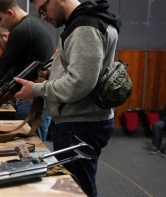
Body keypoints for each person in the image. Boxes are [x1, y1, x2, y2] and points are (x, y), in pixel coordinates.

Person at [14, 0, 121, 196]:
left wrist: (36, 89)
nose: (44, 16)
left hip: (80, 124)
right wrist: (52, 73)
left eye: (43, 10)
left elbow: (79, 83)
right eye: (40, 13)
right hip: (83, 121)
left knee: (76, 190)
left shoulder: (85, 27)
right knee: (80, 185)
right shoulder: (91, 20)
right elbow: (83, 71)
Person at [0, 0, 53, 142]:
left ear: (10, 13)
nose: (0, 24)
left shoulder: (21, 29)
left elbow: (4, 63)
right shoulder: (31, 25)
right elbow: (15, 68)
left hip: (31, 98)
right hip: (36, 96)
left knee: (32, 145)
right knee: (34, 143)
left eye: (0, 19)